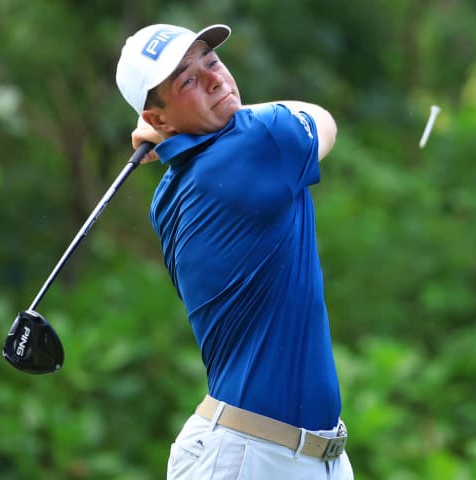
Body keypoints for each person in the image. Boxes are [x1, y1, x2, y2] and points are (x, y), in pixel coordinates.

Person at [115, 23, 353, 479]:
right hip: (253, 457)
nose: (215, 80)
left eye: (212, 62)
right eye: (188, 80)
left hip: (292, 454)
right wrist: (183, 134)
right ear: (156, 120)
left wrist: (173, 134)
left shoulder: (170, 190)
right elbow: (321, 117)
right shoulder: (253, 144)